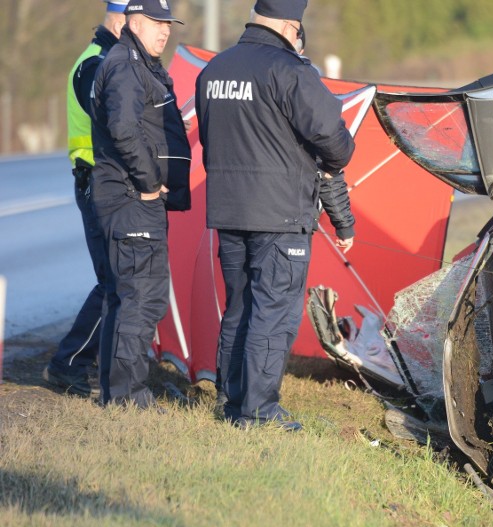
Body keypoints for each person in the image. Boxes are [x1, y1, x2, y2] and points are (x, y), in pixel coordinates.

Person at [195, 0, 355, 430]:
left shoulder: (214, 71)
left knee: (240, 308)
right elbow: (335, 143)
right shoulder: (291, 71)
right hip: (280, 214)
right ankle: (260, 411)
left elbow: (210, 142)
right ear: (291, 26)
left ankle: (231, 401)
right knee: (273, 313)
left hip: (228, 210)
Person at [90, 0, 191, 408]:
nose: (164, 31)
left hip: (131, 197)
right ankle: (127, 397)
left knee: (129, 296)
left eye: (168, 23)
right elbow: (122, 128)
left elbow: (137, 123)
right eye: (155, 22)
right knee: (142, 297)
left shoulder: (138, 63)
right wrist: (150, 182)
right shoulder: (127, 65)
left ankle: (117, 392)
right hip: (131, 198)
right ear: (132, 20)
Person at [43, 1, 129, 398]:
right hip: (97, 181)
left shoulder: (108, 58)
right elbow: (115, 123)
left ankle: (78, 362)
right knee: (112, 282)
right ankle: (68, 364)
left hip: (103, 182)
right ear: (121, 18)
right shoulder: (95, 63)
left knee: (115, 280)